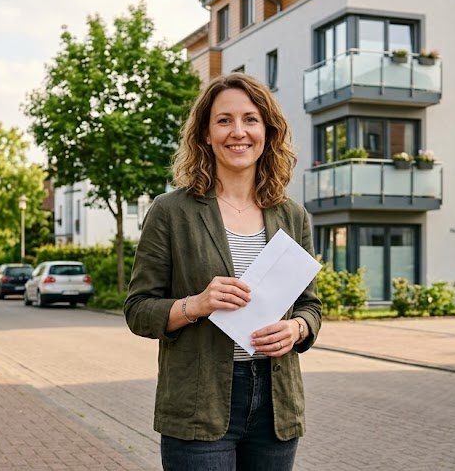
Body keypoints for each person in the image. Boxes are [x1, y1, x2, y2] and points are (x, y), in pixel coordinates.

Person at [124, 72, 322, 470]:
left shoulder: (292, 215)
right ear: (205, 134)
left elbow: (310, 306)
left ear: (267, 131)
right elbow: (138, 309)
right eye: (224, 120)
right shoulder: (171, 211)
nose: (238, 132)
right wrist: (195, 305)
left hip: (276, 404)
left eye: (250, 119)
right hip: (199, 404)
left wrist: (297, 328)